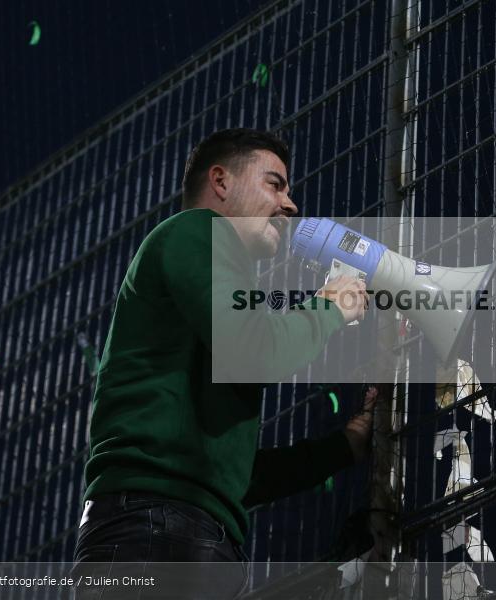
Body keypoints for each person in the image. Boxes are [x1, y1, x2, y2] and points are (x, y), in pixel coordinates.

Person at [71, 128, 372, 599]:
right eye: (275, 184)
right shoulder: (196, 231)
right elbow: (256, 351)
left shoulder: (204, 281)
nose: (290, 205)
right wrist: (329, 307)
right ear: (221, 181)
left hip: (167, 531)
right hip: (161, 534)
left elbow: (231, 476)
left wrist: (345, 447)